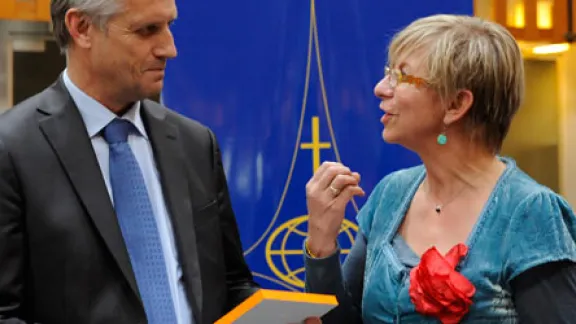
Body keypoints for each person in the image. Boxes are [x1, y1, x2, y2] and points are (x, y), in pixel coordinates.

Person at [303, 14, 576, 323]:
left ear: (456, 105)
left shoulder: (531, 211)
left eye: (401, 77)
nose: (380, 88)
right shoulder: (390, 195)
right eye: (387, 73)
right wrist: (322, 240)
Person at [0, 0, 259, 323]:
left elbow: (231, 285)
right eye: (147, 30)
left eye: (169, 27)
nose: (169, 49)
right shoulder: (12, 150)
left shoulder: (195, 143)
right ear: (81, 28)